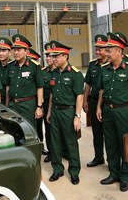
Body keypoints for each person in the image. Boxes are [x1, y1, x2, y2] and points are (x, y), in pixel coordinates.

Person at [96, 32, 128, 192]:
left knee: (125, 143)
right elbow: (101, 90)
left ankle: (125, 176)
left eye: (109, 50)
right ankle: (113, 173)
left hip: (124, 110)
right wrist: (98, 107)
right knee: (111, 143)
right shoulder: (105, 69)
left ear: (119, 51)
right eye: (105, 50)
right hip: (108, 110)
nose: (106, 53)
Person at [46, 41, 83, 185]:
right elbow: (51, 95)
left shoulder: (75, 74)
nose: (53, 59)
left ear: (65, 56)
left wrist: (77, 116)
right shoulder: (53, 73)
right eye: (52, 56)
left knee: (71, 142)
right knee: (55, 142)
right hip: (55, 111)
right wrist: (49, 111)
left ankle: (74, 171)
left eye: (56, 56)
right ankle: (57, 169)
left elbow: (79, 96)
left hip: (68, 112)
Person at [4, 34, 44, 128]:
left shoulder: (34, 66)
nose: (16, 52)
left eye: (19, 50)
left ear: (26, 51)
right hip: (13, 105)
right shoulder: (10, 66)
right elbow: (8, 87)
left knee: (29, 131)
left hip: (28, 106)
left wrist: (39, 107)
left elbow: (39, 87)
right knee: (14, 130)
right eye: (14, 50)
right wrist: (7, 105)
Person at [83, 34, 108, 168]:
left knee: (109, 133)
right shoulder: (93, 65)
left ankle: (112, 159)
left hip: (107, 103)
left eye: (100, 49)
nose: (97, 52)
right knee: (96, 132)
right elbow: (88, 84)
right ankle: (99, 157)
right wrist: (85, 100)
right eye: (96, 49)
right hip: (93, 102)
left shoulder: (110, 64)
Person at [42, 43, 56, 163]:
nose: (47, 58)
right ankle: (51, 152)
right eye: (46, 55)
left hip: (60, 105)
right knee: (49, 130)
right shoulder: (43, 72)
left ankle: (64, 151)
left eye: (50, 56)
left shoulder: (60, 71)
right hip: (47, 104)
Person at [0, 37, 13, 104]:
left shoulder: (14, 66)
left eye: (3, 51)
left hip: (10, 100)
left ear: (9, 52)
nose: (0, 54)